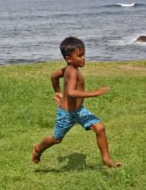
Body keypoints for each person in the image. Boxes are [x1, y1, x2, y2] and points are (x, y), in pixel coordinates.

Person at [32, 37, 121, 167]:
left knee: (100, 128)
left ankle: (106, 160)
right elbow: (72, 92)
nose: (83, 58)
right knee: (56, 139)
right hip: (66, 114)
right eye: (79, 55)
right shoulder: (72, 71)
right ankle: (38, 149)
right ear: (68, 58)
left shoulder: (69, 68)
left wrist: (57, 92)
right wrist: (96, 93)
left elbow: (54, 76)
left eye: (84, 54)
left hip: (79, 111)